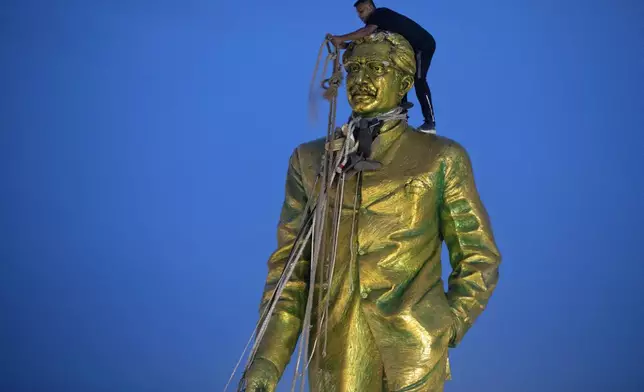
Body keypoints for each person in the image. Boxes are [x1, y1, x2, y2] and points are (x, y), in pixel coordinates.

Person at [241, 32, 500, 392]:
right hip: (335, 353)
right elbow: (290, 274)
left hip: (414, 356)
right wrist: (266, 363)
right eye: (354, 69)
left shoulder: (441, 158)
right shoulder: (311, 159)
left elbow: (478, 255)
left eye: (376, 68)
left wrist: (448, 324)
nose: (361, 80)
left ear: (405, 82)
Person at [331, 0, 438, 133]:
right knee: (400, 76)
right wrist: (346, 46)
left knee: (419, 79)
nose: (360, 16)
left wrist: (340, 38)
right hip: (413, 48)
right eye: (358, 13)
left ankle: (430, 122)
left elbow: (365, 32)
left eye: (361, 11)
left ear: (370, 7)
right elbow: (371, 43)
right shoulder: (380, 25)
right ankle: (402, 114)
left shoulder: (379, 14)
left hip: (423, 46)